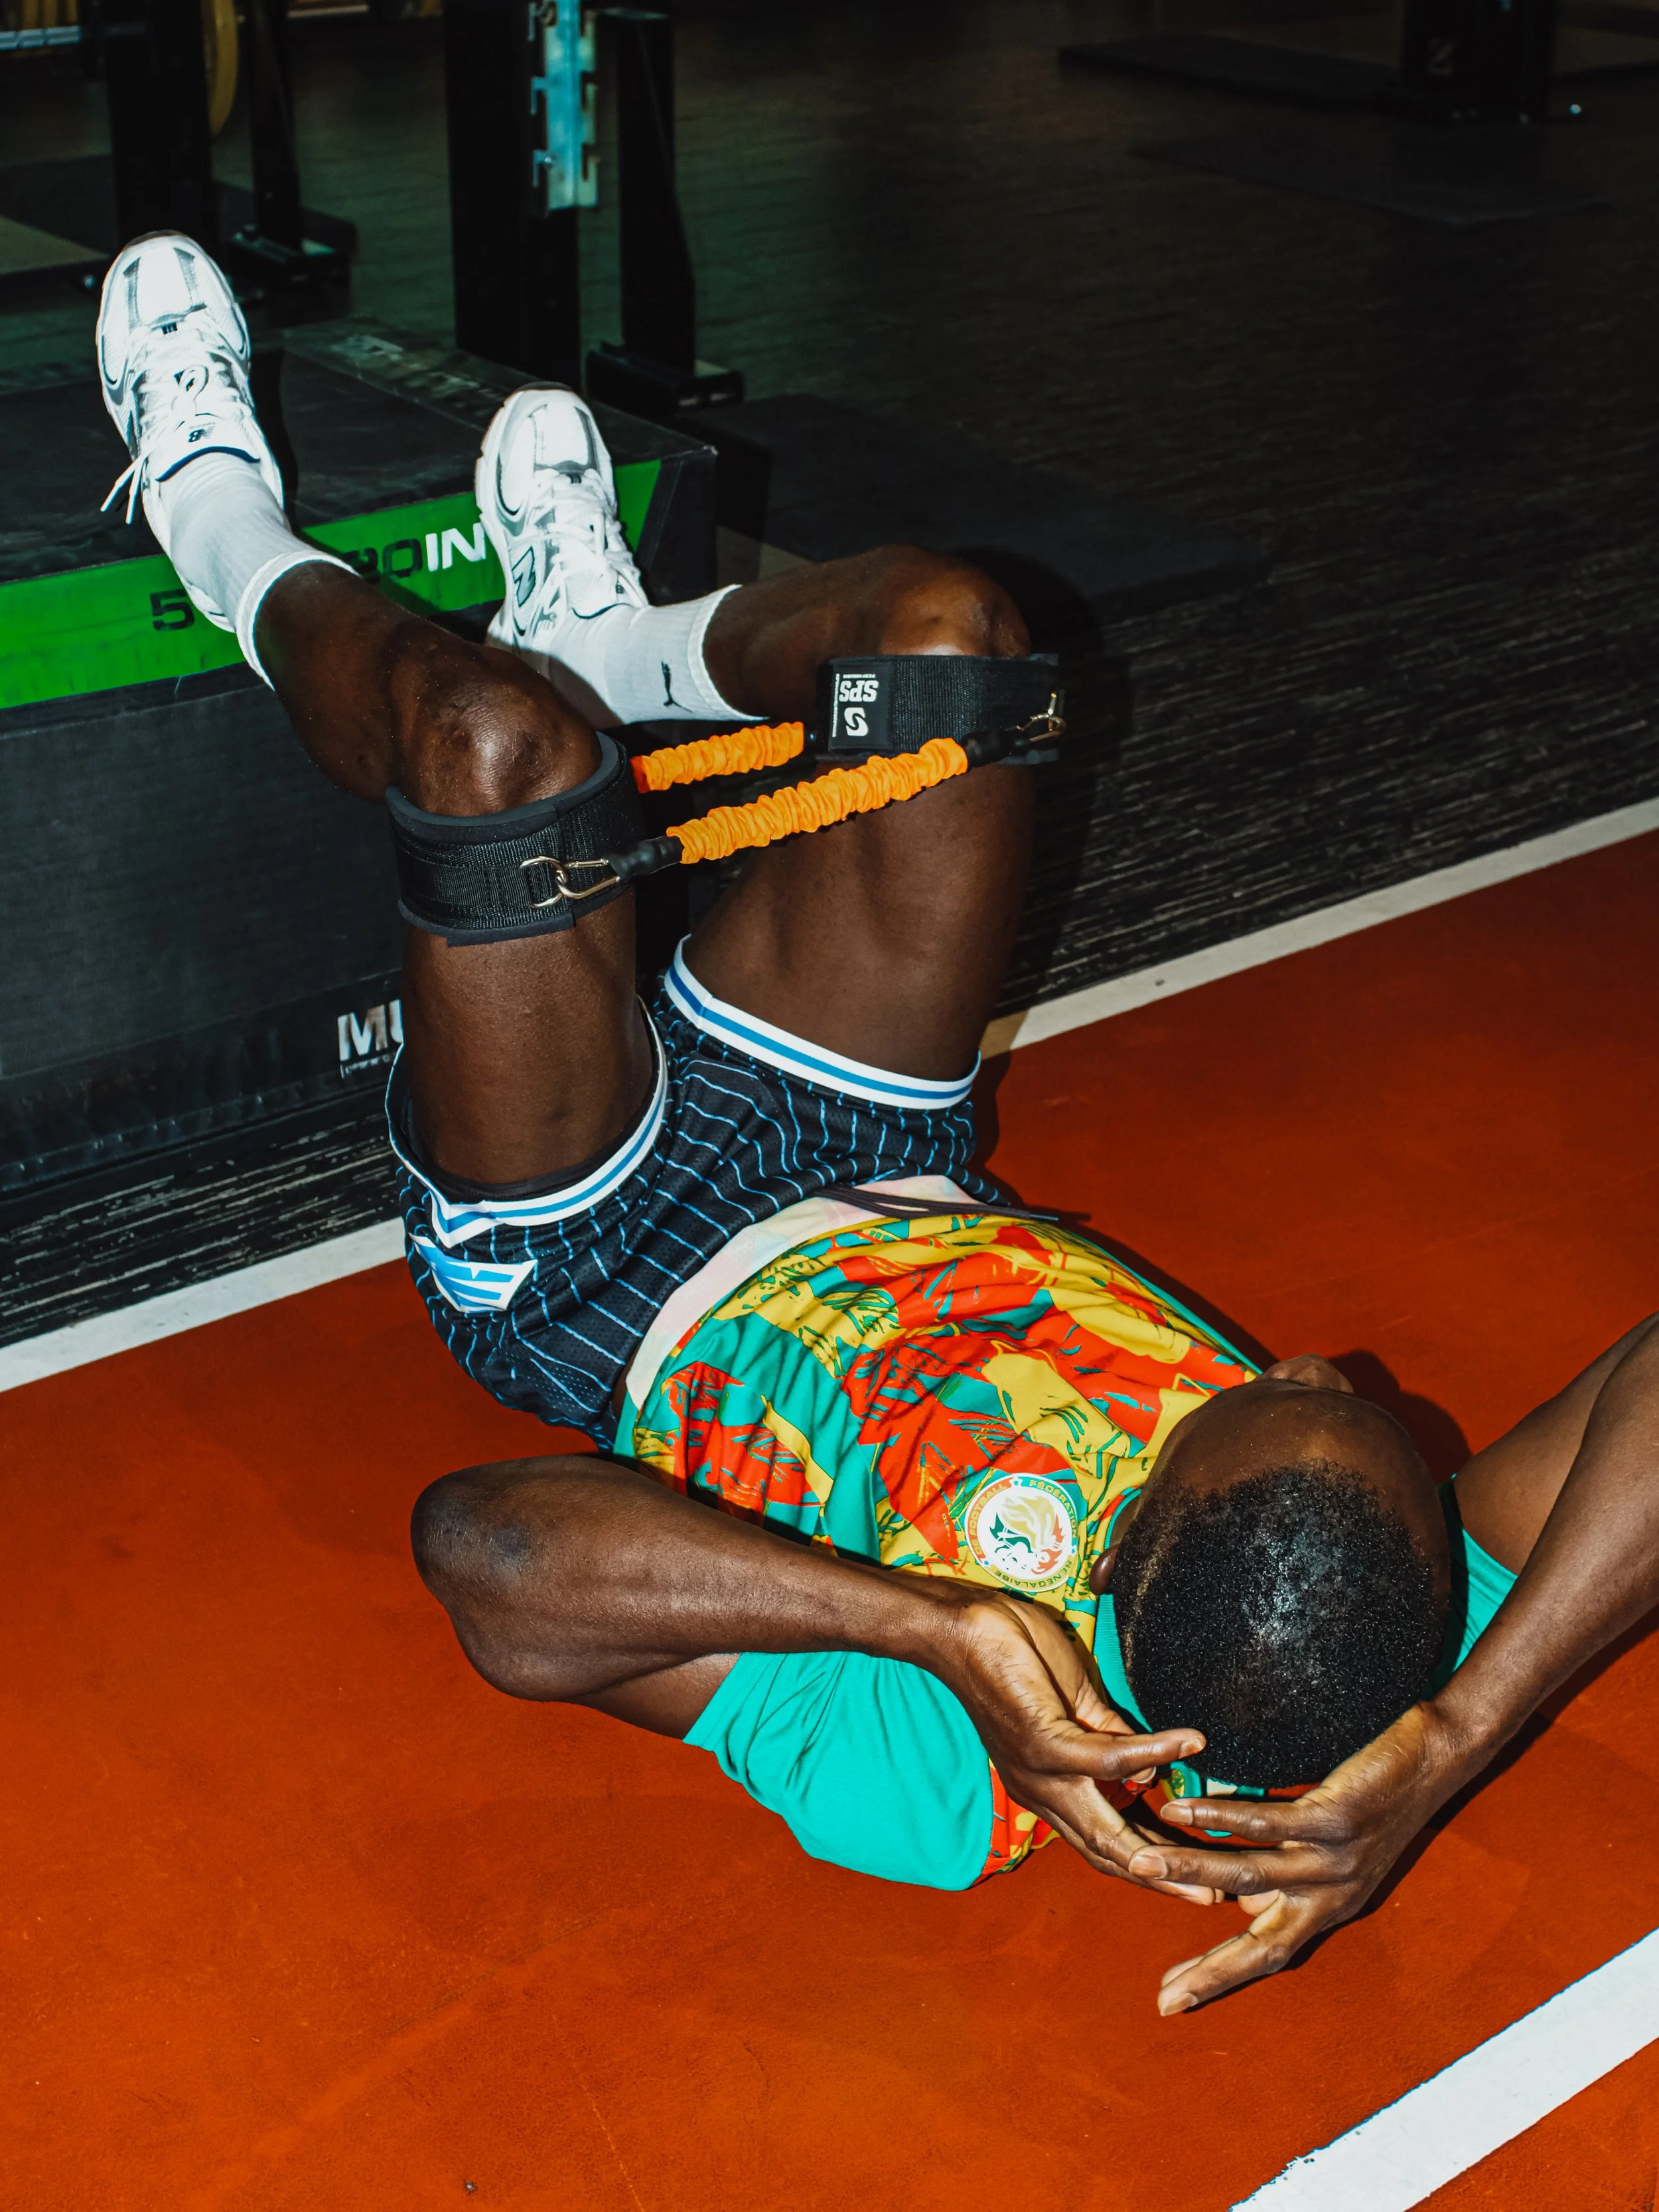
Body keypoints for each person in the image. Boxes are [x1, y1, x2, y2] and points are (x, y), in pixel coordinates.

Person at [98, 232, 1659, 2014]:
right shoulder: (1406, 1636)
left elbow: (487, 1549)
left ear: (1126, 1556)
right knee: (954, 639)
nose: (1302, 1354)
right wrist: (1460, 1728)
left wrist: (929, 1621)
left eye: (1259, 1394)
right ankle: (616, 641)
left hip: (602, 1266)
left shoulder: (940, 1776)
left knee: (491, 748)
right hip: (882, 1149)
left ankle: (214, 520)